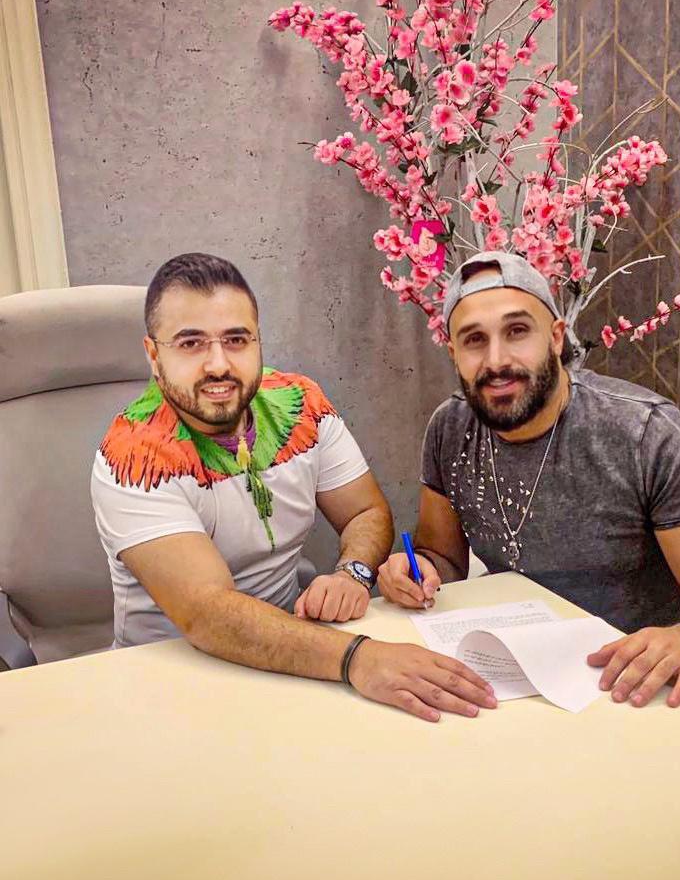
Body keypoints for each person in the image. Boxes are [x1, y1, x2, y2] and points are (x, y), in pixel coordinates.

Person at [91, 252, 496, 722]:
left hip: (294, 659)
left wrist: (352, 573)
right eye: (191, 343)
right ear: (154, 354)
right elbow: (208, 615)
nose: (218, 365)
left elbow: (365, 512)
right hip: (170, 682)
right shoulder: (132, 456)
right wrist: (359, 658)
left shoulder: (302, 404)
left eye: (236, 340)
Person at [378, 251, 680, 708]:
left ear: (556, 337)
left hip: (635, 687)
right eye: (474, 340)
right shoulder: (450, 427)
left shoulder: (645, 433)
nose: (496, 360)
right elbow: (441, 556)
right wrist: (418, 570)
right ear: (454, 353)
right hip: (515, 680)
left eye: (517, 331)